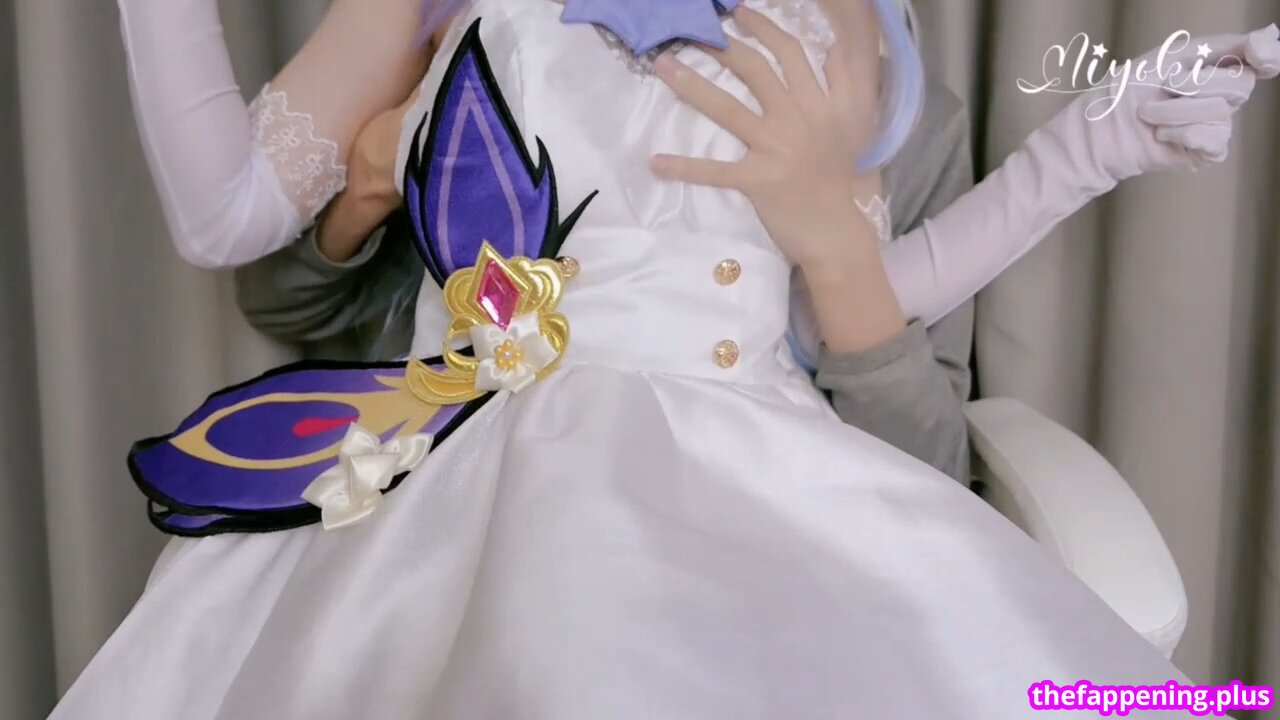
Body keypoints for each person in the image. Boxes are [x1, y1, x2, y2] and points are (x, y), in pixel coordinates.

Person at [51, 0, 1280, 717]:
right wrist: (376, 172)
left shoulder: (843, 33)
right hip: (470, 467)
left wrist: (1092, 144)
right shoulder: (440, 16)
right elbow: (236, 231)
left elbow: (877, 340)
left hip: (758, 477)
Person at [232, 42, 978, 484]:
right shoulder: (490, 45)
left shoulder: (898, 115)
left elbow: (934, 469)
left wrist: (841, 259)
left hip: (760, 516)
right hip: (484, 489)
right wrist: (373, 173)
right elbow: (283, 299)